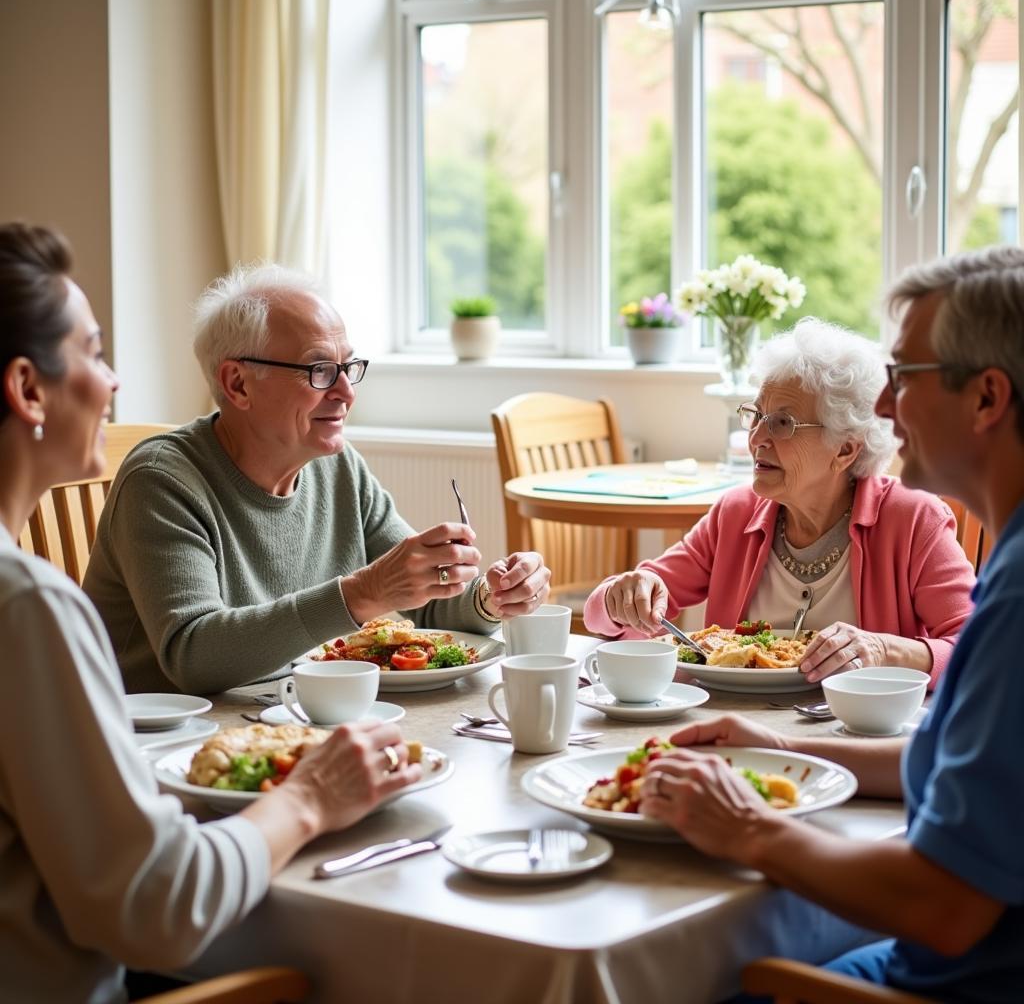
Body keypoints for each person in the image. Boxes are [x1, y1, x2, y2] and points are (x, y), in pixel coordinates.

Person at [0, 222, 422, 1001]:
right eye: (94, 352)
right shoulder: (26, 604)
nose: (115, 381)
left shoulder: (339, 469)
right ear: (29, 389)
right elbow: (154, 907)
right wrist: (309, 798)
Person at [641, 245, 1024, 1001]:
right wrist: (784, 745)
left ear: (986, 398)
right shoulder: (1010, 564)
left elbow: (942, 906)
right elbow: (960, 766)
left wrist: (748, 828)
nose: (884, 409)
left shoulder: (1013, 606)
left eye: (903, 379)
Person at [83, 263, 550, 695]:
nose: (346, 392)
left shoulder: (338, 468)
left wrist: (492, 596)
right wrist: (364, 592)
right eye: (321, 370)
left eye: (348, 367)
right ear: (238, 384)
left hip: (290, 715)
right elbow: (193, 655)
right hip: (161, 744)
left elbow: (426, 601)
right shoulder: (162, 481)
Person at [584, 317, 975, 686]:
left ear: (845, 450)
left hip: (854, 732)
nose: (757, 438)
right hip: (734, 723)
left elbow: (980, 650)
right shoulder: (736, 514)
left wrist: (883, 649)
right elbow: (604, 613)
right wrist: (626, 594)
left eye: (782, 423)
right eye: (756, 415)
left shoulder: (912, 519)